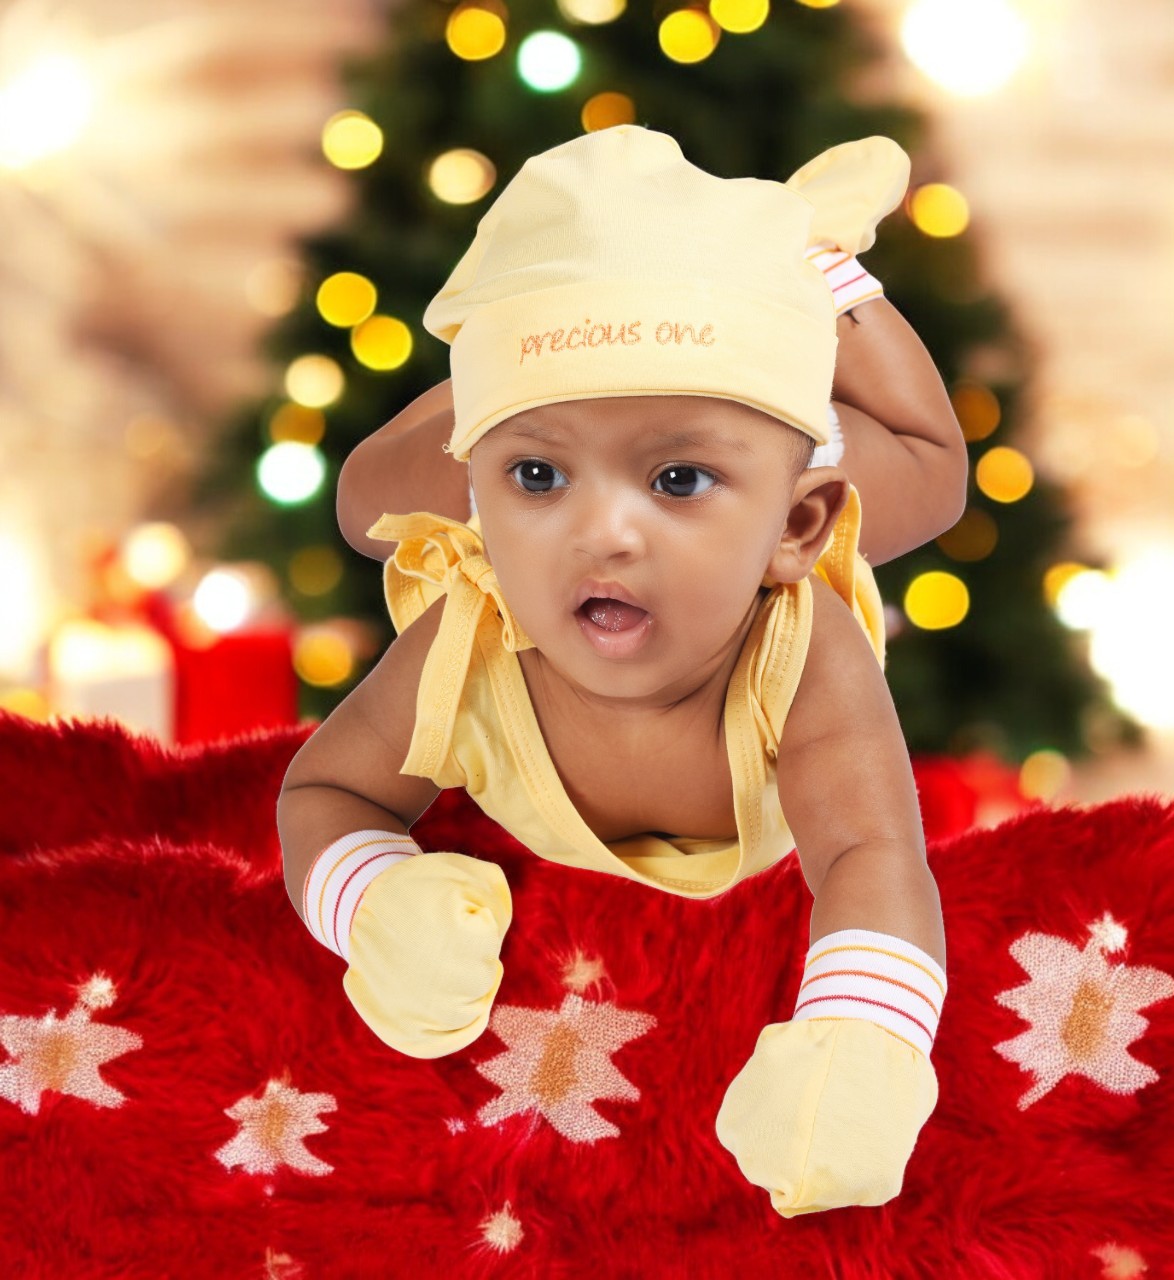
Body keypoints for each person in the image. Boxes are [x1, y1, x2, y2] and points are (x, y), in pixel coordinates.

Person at [277, 125, 968, 1218]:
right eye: (540, 476)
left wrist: (861, 1039)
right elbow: (323, 791)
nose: (605, 533)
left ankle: (814, 253)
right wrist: (373, 900)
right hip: (511, 403)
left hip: (773, 415)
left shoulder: (799, 634)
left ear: (794, 527)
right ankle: (558, 411)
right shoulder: (476, 628)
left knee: (925, 473)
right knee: (373, 495)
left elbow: (871, 852)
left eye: (678, 480)